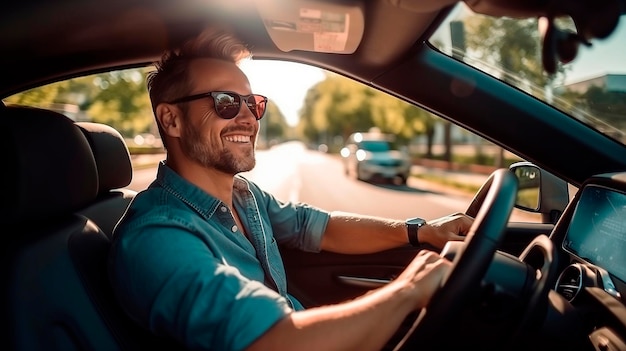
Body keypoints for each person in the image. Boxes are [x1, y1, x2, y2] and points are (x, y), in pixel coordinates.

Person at [108, 26, 474, 351]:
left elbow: (316, 226)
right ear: (171, 119)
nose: (248, 117)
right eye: (225, 102)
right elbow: (274, 342)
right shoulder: (156, 237)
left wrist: (420, 231)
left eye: (253, 103)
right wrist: (409, 290)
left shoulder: (243, 195)